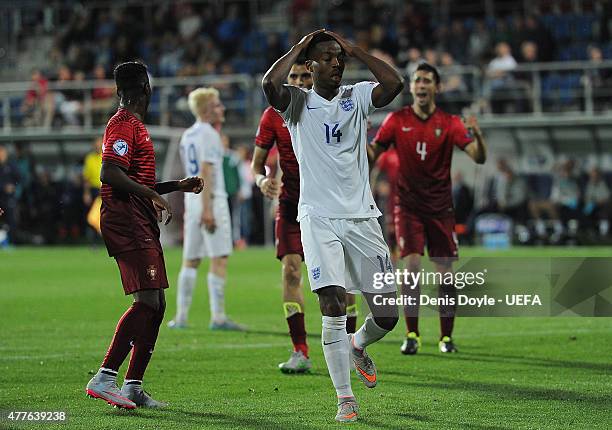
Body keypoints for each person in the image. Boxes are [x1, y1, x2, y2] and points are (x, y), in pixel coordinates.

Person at [262, 29, 403, 422]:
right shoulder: (298, 104)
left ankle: (358, 345)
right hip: (318, 217)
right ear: (309, 64)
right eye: (327, 58)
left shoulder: (356, 96)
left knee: (389, 314)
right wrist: (298, 48)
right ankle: (345, 397)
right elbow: (268, 85)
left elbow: (395, 83)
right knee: (332, 302)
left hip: (362, 217)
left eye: (339, 58)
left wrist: (356, 50)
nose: (336, 63)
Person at [85, 61, 204, 409]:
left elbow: (138, 180)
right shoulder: (123, 125)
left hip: (138, 217)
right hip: (126, 219)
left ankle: (133, 384)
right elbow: (109, 173)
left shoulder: (134, 125)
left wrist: (173, 187)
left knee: (157, 304)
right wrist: (153, 195)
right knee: (148, 302)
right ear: (146, 90)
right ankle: (105, 376)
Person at [370, 62, 487, 355]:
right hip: (407, 206)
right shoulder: (396, 120)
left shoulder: (450, 123)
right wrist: (358, 140)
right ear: (410, 87)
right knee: (410, 268)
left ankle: (446, 337)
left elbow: (478, 156)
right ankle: (412, 334)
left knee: (446, 273)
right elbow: (374, 153)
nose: (421, 85)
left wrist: (478, 135)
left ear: (437, 87)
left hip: (440, 208)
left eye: (427, 81)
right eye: (417, 81)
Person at [252, 60, 358, 374]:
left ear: (314, 78)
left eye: (304, 76)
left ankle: (350, 345)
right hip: (291, 204)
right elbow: (257, 164)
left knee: (343, 282)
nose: (298, 81)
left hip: (332, 204)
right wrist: (261, 180)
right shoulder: (273, 115)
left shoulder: (334, 108)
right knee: (291, 273)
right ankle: (300, 350)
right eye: (293, 76)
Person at [167, 87, 245, 331]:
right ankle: (218, 317)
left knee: (190, 259)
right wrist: (208, 209)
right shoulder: (210, 135)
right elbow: (206, 171)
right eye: (217, 104)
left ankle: (180, 317)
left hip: (192, 200)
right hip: (210, 199)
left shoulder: (187, 135)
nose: (222, 108)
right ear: (206, 109)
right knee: (219, 258)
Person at [82, 137, 103, 235]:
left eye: (99, 143)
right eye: (96, 144)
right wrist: (86, 193)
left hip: (106, 191)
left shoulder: (107, 157)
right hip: (94, 190)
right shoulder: (89, 158)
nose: (97, 146)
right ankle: (94, 241)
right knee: (92, 218)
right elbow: (87, 178)